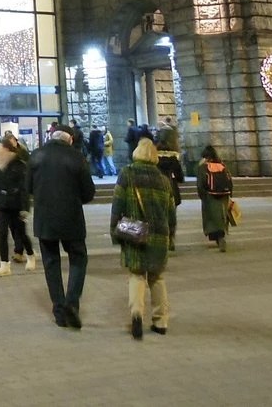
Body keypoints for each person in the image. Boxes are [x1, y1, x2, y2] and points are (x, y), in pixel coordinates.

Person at [28, 123, 96, 328]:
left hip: (44, 219)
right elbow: (88, 192)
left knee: (51, 263)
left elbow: (28, 187)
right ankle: (72, 304)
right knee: (78, 259)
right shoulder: (77, 157)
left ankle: (58, 310)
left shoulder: (36, 156)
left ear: (51, 136)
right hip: (71, 218)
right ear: (71, 139)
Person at [110, 138, 176, 339]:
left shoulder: (127, 174)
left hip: (135, 234)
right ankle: (161, 321)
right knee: (157, 277)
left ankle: (137, 314)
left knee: (136, 275)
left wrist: (115, 230)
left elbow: (117, 205)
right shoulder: (164, 180)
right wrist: (170, 237)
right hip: (159, 235)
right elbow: (171, 213)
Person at [0, 135, 36, 276]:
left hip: (16, 205)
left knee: (21, 233)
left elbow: (24, 189)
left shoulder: (19, 165)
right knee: (2, 234)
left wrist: (25, 208)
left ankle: (31, 255)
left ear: (7, 149)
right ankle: (4, 266)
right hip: (2, 205)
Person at [154, 117, 185, 250]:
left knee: (158, 214)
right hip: (171, 188)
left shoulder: (154, 158)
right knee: (171, 214)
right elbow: (180, 177)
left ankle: (161, 238)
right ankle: (171, 237)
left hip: (157, 188)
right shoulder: (173, 158)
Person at [197, 145, 232, 252]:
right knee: (222, 216)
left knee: (211, 217)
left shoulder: (203, 167)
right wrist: (230, 194)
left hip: (210, 195)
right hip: (224, 194)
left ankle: (218, 238)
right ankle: (221, 236)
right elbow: (229, 180)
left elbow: (200, 184)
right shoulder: (222, 165)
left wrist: (202, 195)